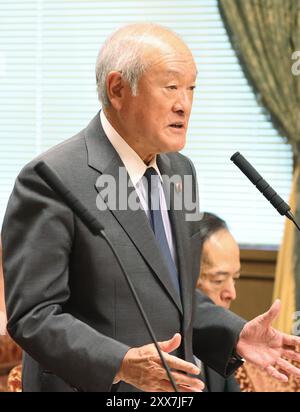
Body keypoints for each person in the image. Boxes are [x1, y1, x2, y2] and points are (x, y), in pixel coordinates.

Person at [1, 23, 300, 392]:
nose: (184, 103)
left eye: (192, 88)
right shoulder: (51, 178)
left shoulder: (181, 171)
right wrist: (120, 364)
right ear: (117, 89)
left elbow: (175, 293)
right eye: (171, 87)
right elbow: (34, 316)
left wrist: (235, 333)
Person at [196, 212, 241, 391]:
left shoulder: (220, 339)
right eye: (218, 280)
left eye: (235, 278)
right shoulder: (155, 352)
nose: (232, 293)